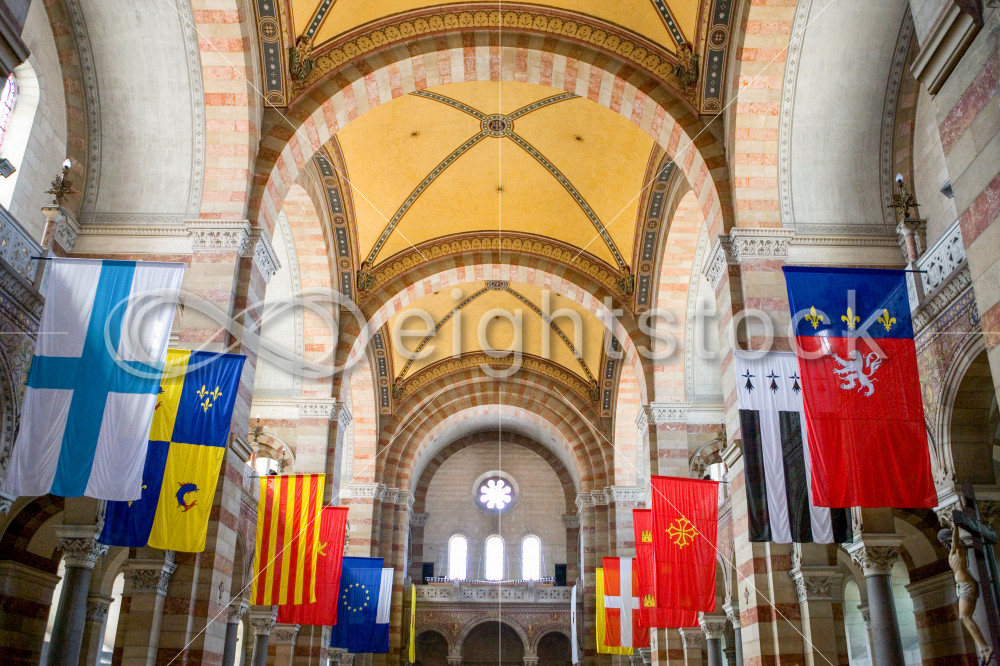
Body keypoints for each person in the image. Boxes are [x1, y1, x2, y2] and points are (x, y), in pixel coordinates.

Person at [942, 526, 995, 665]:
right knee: (966, 617)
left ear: (946, 540)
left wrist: (955, 525)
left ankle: (985, 648)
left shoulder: (957, 549)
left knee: (964, 617)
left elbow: (955, 540)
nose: (943, 544)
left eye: (943, 541)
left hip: (966, 585)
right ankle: (983, 648)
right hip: (963, 586)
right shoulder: (953, 553)